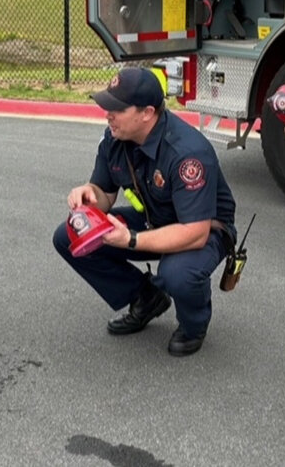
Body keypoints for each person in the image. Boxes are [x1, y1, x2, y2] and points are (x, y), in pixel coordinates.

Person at [53, 67, 237, 357]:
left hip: (204, 229)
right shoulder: (115, 138)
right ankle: (145, 297)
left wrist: (131, 239)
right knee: (69, 235)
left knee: (177, 273)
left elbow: (195, 234)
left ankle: (193, 325)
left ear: (147, 113)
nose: (107, 114)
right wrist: (89, 196)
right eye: (106, 106)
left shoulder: (187, 154)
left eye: (116, 108)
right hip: (155, 219)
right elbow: (104, 195)